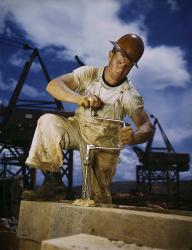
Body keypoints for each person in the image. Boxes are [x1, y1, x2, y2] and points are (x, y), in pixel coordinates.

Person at [22, 33, 153, 203]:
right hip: (77, 129)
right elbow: (53, 85)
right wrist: (80, 98)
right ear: (110, 55)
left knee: (96, 200)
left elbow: (146, 126)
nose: (121, 69)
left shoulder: (128, 95)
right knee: (47, 121)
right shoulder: (89, 74)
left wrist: (135, 136)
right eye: (119, 61)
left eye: (127, 66)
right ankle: (53, 183)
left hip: (102, 145)